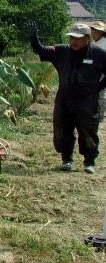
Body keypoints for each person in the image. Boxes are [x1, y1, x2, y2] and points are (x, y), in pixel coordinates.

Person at [27, 21, 106, 173]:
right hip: (65, 97)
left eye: (78, 38)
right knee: (63, 128)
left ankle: (89, 161)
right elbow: (41, 50)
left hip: (87, 100)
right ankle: (67, 159)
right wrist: (33, 37)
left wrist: (97, 88)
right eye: (72, 38)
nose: (74, 41)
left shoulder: (98, 54)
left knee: (88, 130)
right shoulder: (61, 51)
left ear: (87, 38)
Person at [89, 20, 106, 120]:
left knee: (101, 94)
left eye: (95, 30)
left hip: (102, 72)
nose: (93, 33)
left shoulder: (104, 43)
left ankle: (100, 114)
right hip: (93, 71)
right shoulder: (93, 43)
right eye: (92, 30)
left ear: (102, 32)